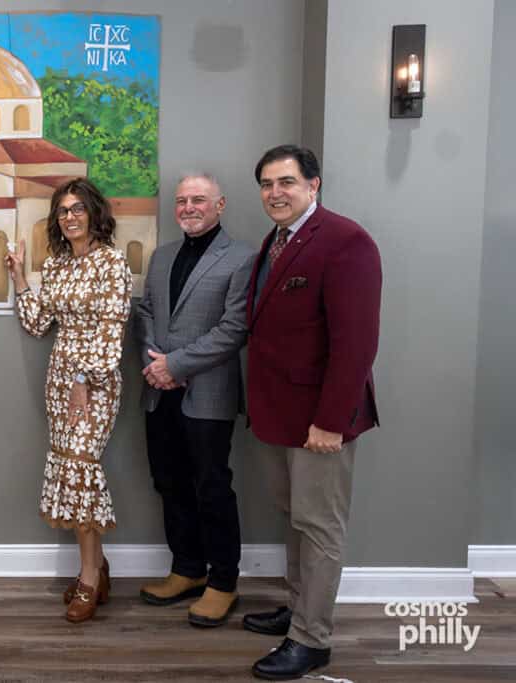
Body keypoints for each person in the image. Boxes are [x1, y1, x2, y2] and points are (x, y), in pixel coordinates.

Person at [243, 145, 382, 680]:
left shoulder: (346, 241)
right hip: (280, 414)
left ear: (313, 184)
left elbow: (356, 345)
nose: (275, 193)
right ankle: (300, 609)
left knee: (320, 526)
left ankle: (312, 638)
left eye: (286, 182)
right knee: (296, 519)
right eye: (266, 184)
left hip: (321, 421)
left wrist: (331, 420)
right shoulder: (275, 242)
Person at [5, 178, 132, 623]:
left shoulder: (113, 264)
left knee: (80, 470)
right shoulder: (56, 266)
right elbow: (40, 324)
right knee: (71, 471)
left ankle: (89, 579)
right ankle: (97, 567)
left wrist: (84, 377)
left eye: (78, 208)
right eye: (62, 210)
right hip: (58, 378)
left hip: (94, 381)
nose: (70, 216)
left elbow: (112, 332)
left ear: (95, 213)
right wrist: (21, 277)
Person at [134, 173, 255, 627]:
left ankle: (223, 581)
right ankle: (186, 569)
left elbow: (234, 328)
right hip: (158, 391)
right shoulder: (162, 257)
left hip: (207, 393)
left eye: (198, 199)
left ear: (220, 204)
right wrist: (155, 361)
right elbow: (145, 311)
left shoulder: (242, 258)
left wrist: (177, 365)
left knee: (211, 487)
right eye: (181, 200)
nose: (188, 207)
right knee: (169, 482)